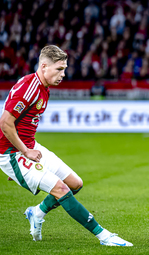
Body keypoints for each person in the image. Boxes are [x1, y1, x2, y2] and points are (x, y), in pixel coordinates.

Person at [0, 45, 133, 247]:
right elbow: (5, 124)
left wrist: (28, 149)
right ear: (44, 66)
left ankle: (37, 212)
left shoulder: (43, 88)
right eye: (59, 69)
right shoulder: (29, 87)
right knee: (61, 189)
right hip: (12, 152)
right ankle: (104, 236)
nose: (63, 74)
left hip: (28, 147)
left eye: (64, 69)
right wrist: (24, 153)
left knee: (75, 183)